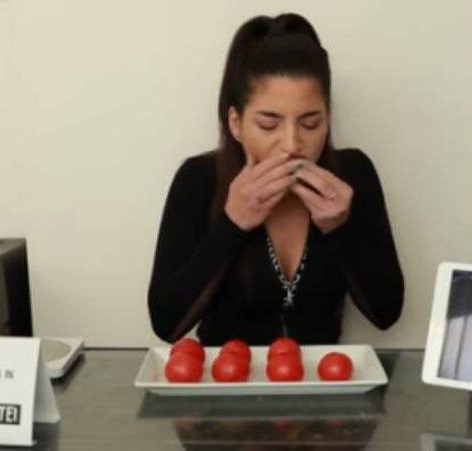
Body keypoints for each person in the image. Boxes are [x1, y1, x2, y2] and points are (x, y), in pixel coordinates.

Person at [148, 13, 404, 346]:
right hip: (223, 386)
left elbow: (387, 313)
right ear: (236, 123)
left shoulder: (353, 173)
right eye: (269, 125)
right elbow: (166, 324)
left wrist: (342, 228)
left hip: (323, 387)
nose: (292, 144)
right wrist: (231, 224)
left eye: (311, 124)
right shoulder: (198, 179)